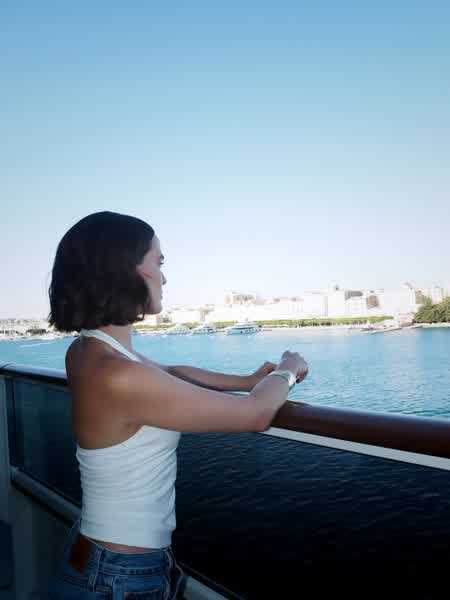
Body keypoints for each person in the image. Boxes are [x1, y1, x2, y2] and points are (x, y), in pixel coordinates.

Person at [46, 211, 308, 599]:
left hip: (99, 559)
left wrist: (246, 381)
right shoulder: (118, 374)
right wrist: (288, 369)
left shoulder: (88, 350)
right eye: (159, 262)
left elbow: (170, 372)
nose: (164, 278)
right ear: (126, 269)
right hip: (119, 575)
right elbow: (256, 414)